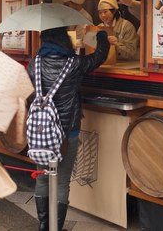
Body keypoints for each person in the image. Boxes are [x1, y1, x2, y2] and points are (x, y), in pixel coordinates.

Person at [27, 26, 109, 231]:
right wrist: (102, 35)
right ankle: (56, 227)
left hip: (41, 132)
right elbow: (99, 57)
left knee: (42, 177)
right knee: (62, 181)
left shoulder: (35, 63)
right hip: (68, 131)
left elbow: (30, 91)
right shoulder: (75, 63)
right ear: (65, 40)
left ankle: (44, 225)